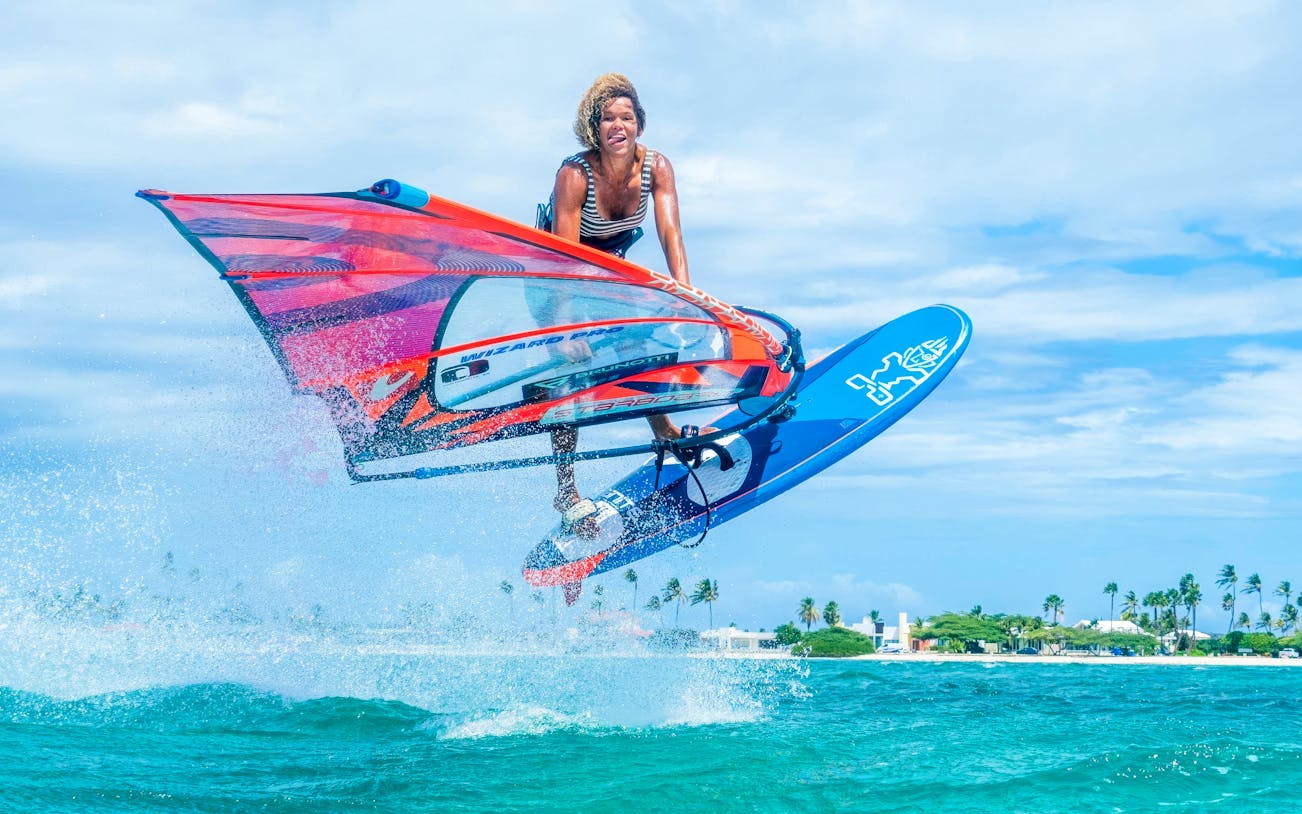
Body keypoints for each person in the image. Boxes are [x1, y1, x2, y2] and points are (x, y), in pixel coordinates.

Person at [542, 73, 709, 533]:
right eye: (608, 118)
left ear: (640, 124)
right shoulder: (574, 175)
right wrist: (568, 327)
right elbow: (567, 259)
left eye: (627, 117)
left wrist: (687, 296)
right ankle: (566, 489)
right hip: (552, 275)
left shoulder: (658, 167)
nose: (618, 125)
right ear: (593, 128)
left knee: (640, 342)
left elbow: (671, 234)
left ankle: (663, 429)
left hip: (606, 271)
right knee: (567, 373)